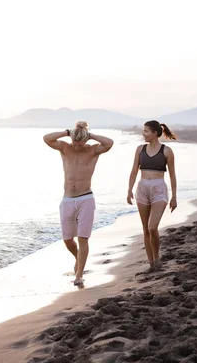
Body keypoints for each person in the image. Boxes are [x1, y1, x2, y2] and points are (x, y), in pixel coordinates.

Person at [43, 121, 113, 286]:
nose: (76, 145)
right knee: (67, 239)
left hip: (85, 199)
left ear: (85, 140)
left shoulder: (93, 150)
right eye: (74, 141)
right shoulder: (65, 148)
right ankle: (78, 258)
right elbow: (46, 138)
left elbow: (109, 143)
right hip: (67, 199)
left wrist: (91, 135)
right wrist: (67, 132)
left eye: (79, 142)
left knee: (82, 238)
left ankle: (79, 275)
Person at [127, 120, 178, 273]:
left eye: (146, 131)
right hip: (142, 188)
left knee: (152, 227)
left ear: (154, 133)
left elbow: (173, 175)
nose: (143, 134)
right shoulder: (139, 149)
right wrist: (129, 190)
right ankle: (151, 264)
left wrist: (174, 197)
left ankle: (157, 258)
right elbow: (134, 171)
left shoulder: (167, 151)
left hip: (159, 189)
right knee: (145, 229)